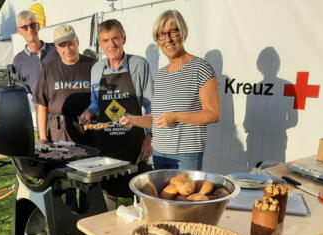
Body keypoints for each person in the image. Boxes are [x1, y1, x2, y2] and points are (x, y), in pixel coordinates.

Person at [120, 9, 220, 171]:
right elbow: (158, 118)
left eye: (173, 32)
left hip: (186, 156)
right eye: (161, 35)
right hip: (159, 154)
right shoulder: (161, 75)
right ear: (157, 40)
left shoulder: (200, 67)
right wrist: (133, 120)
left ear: (183, 33)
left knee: (184, 197)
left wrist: (176, 116)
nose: (168, 39)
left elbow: (213, 113)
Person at [79, 19, 153, 199]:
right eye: (105, 40)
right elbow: (96, 103)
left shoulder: (139, 65)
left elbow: (152, 106)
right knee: (106, 196)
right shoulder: (96, 68)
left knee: (140, 195)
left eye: (115, 38)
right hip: (106, 146)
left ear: (123, 38)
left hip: (134, 144)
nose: (111, 44)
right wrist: (89, 112)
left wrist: (150, 136)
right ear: (100, 44)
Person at [33, 24, 95, 144]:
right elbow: (42, 106)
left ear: (77, 41)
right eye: (62, 45)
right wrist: (43, 138)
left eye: (70, 43)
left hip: (89, 131)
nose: (67, 49)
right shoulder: (48, 70)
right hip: (58, 133)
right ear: (56, 48)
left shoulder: (93, 66)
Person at [12, 10, 58, 94]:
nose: (29, 29)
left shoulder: (56, 49)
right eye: (24, 27)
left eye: (32, 25)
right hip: (37, 107)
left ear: (38, 26)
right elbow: (19, 91)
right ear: (19, 31)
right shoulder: (18, 61)